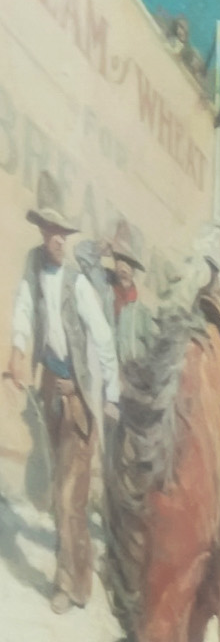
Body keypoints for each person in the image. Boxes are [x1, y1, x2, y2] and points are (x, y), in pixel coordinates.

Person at [19, 207, 96, 605]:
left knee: (69, 497)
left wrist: (89, 390)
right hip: (51, 387)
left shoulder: (79, 284)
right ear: (44, 233)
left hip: (80, 398)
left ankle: (65, 584)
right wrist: (19, 351)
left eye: (65, 235)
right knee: (62, 495)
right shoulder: (33, 266)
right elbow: (24, 309)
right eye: (54, 234)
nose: (60, 241)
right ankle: (81, 574)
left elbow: (101, 342)